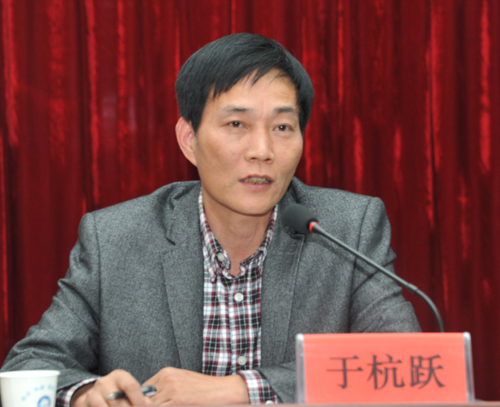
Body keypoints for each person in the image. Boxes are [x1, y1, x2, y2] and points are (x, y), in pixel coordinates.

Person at [1, 33, 420, 406]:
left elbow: (404, 365)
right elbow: (29, 365)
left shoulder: (348, 228)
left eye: (282, 127)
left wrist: (238, 390)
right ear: (189, 140)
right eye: (237, 124)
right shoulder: (115, 238)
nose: (262, 151)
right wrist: (85, 395)